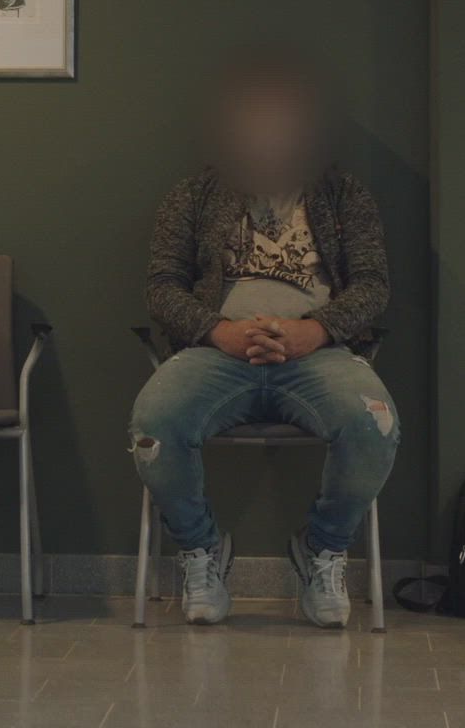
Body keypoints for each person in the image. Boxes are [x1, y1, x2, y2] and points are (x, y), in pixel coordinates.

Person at [132, 60, 397, 627]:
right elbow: (162, 286)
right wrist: (218, 332)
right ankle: (202, 551)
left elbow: (374, 285)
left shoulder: (343, 194)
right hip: (215, 354)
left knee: (374, 423)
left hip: (317, 354)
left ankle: (322, 549)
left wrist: (315, 330)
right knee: (153, 426)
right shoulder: (195, 195)